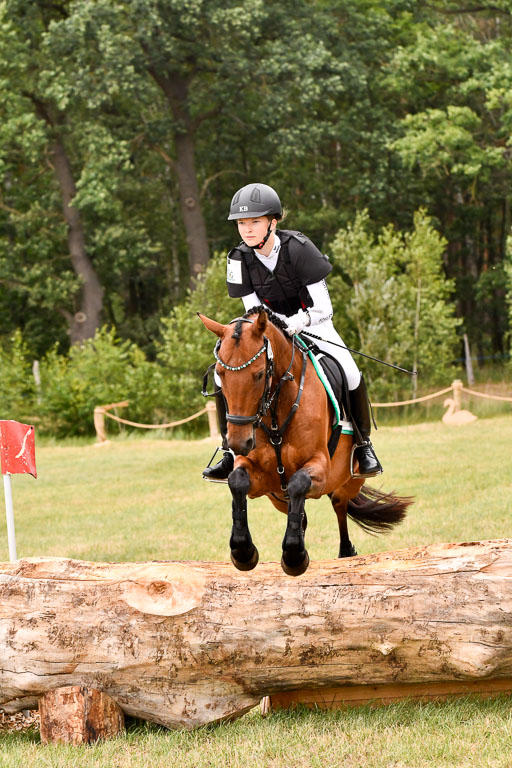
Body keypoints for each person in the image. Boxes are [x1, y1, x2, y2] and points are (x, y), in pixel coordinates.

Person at [203, 182, 382, 481]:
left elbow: (325, 307)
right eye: (242, 224)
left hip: (314, 324)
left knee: (350, 372)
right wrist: (268, 331)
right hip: (268, 330)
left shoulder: (299, 249)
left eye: (254, 222)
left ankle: (363, 446)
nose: (247, 230)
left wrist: (297, 324)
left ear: (272, 222)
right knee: (224, 374)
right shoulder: (237, 258)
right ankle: (228, 451)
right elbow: (253, 310)